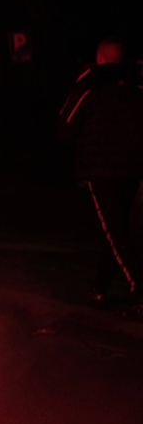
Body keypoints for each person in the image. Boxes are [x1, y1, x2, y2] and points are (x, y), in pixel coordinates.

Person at [58, 39, 143, 314]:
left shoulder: (90, 83)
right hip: (133, 165)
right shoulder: (136, 83)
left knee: (116, 232)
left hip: (101, 168)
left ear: (99, 58)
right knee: (118, 229)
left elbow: (67, 123)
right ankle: (99, 288)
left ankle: (139, 290)